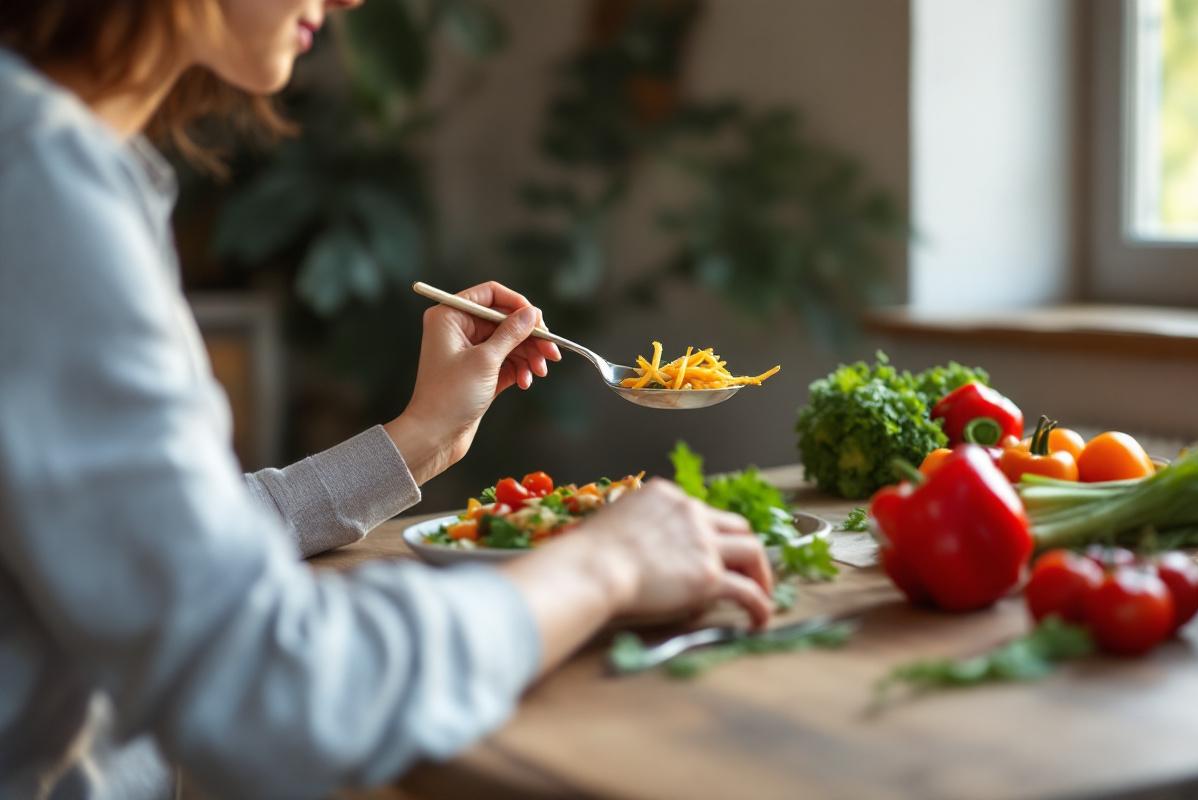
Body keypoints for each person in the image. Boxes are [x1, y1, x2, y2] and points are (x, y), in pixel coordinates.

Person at [0, 2, 774, 798]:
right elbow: (272, 689)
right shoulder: (37, 183)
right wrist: (606, 563)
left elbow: (152, 544)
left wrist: (418, 442)